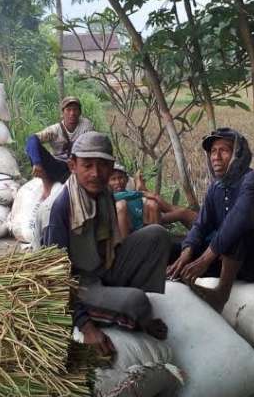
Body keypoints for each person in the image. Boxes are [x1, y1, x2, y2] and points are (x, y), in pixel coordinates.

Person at [43, 132, 172, 355]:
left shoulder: (104, 195)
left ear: (112, 167)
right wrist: (86, 327)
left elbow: (112, 243)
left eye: (103, 165)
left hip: (103, 268)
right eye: (88, 165)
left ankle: (116, 301)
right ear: (73, 165)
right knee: (138, 302)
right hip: (78, 284)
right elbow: (54, 279)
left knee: (157, 235)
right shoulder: (61, 207)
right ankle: (125, 314)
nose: (96, 173)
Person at [166, 128, 254, 312]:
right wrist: (186, 253)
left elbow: (236, 223)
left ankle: (221, 294)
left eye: (223, 150)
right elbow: (201, 225)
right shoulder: (216, 187)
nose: (216, 156)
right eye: (213, 151)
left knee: (235, 232)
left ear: (238, 154)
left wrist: (204, 261)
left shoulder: (251, 181)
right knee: (173, 250)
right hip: (230, 258)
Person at [25, 96, 94, 199]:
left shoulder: (86, 125)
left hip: (78, 166)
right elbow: (32, 140)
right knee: (34, 146)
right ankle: (47, 185)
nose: (72, 113)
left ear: (80, 112)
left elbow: (92, 146)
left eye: (75, 109)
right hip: (59, 167)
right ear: (62, 113)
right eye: (68, 110)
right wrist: (37, 163)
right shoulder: (55, 130)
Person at [109, 163, 197, 238]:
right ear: (107, 182)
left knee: (183, 212)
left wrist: (144, 192)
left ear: (126, 179)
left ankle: (203, 232)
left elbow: (148, 204)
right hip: (135, 233)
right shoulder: (110, 196)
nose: (118, 182)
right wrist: (143, 193)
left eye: (120, 178)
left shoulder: (132, 193)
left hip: (148, 221)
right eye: (113, 179)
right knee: (154, 203)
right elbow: (117, 197)